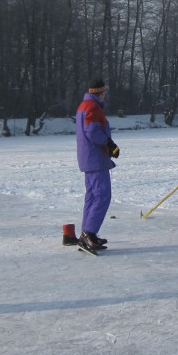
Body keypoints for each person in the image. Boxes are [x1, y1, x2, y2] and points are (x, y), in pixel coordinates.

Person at [73, 77, 120, 251]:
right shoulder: (92, 106)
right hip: (95, 158)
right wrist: (109, 144)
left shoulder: (83, 106)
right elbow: (92, 131)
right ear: (100, 92)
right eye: (104, 92)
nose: (105, 95)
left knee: (92, 196)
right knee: (102, 196)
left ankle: (86, 233)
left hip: (88, 158)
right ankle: (89, 233)